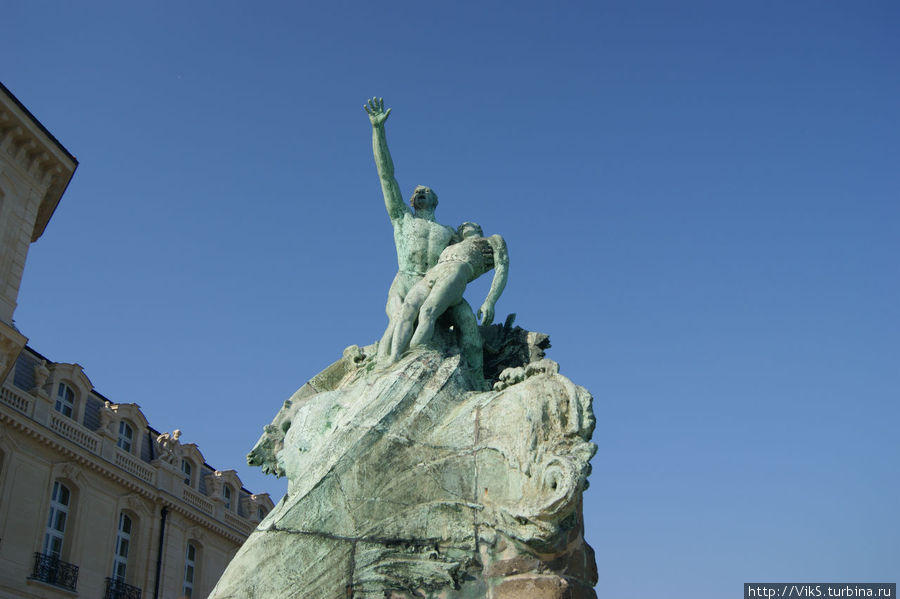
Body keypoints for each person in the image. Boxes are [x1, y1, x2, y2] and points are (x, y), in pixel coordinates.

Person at [364, 97, 460, 363]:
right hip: (405, 280)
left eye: (425, 190)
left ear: (436, 200)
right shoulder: (401, 218)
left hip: (431, 283)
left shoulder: (449, 231)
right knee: (396, 323)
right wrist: (378, 131)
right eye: (416, 191)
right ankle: (383, 369)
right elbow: (386, 175)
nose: (419, 192)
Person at [389, 222, 509, 381]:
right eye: (461, 226)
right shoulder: (453, 245)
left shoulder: (493, 240)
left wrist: (490, 301)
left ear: (479, 228)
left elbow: (502, 268)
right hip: (433, 273)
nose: (464, 225)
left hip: (457, 271)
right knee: (407, 309)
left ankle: (414, 354)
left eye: (469, 223)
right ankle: (395, 357)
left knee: (427, 311)